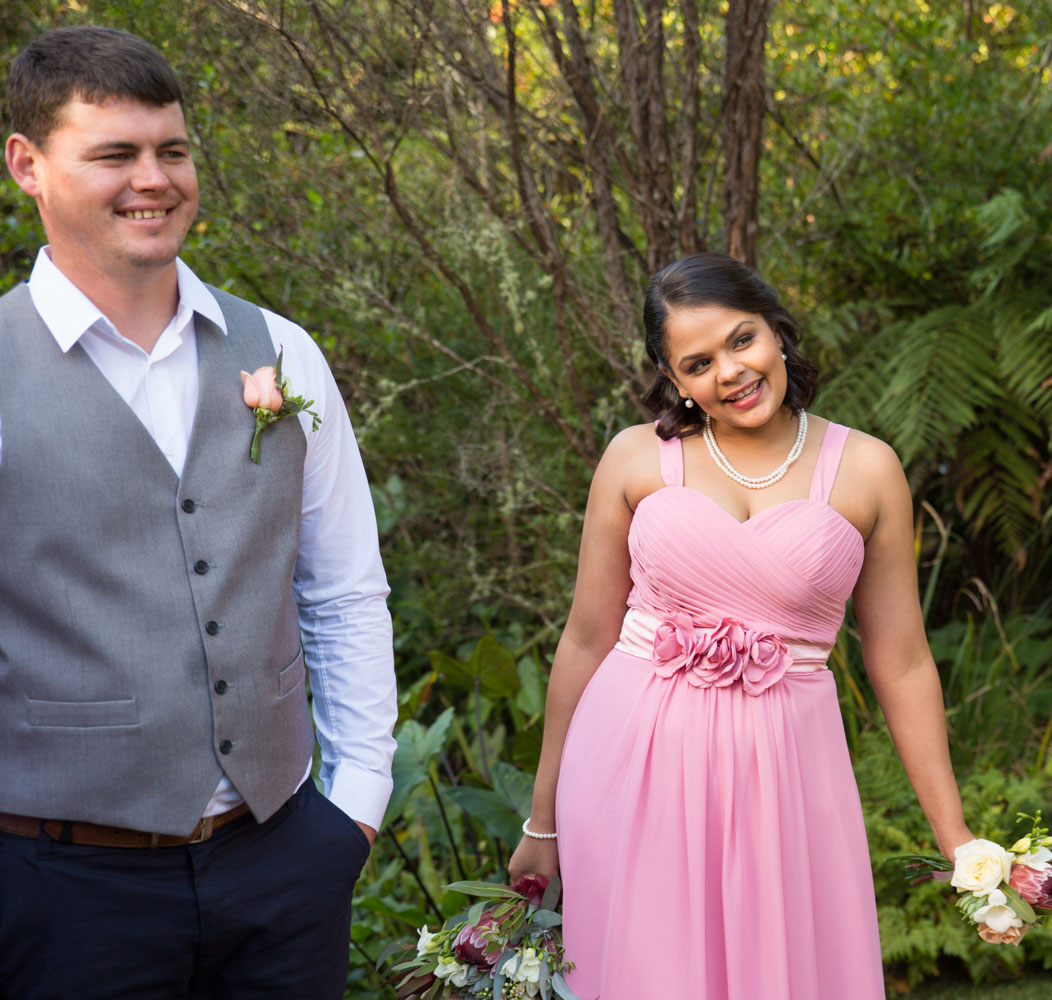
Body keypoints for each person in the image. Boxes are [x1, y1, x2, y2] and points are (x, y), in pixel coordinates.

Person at [0, 26, 397, 1000]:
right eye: (115, 154)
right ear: (28, 166)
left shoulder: (282, 351)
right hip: (56, 886)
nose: (155, 178)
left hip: (282, 866)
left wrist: (353, 809)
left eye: (172, 150)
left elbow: (342, 588)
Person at [508, 251, 973, 998]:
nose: (728, 371)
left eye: (742, 340)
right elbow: (587, 640)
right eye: (697, 363)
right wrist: (543, 820)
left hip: (787, 776)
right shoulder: (634, 458)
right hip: (632, 765)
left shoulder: (867, 469)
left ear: (777, 331)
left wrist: (956, 836)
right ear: (674, 378)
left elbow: (905, 663)